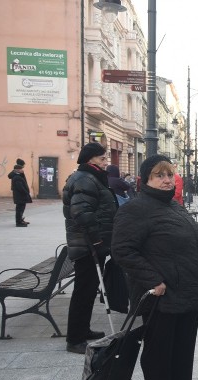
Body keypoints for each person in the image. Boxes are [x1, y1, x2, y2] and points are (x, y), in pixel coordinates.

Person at [112, 155, 198, 380]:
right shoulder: (136, 208)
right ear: (145, 180)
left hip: (186, 289)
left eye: (169, 175)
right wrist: (153, 280)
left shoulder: (173, 206)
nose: (167, 180)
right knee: (160, 349)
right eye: (159, 175)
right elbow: (122, 250)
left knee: (183, 344)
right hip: (161, 293)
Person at [62, 142, 118, 353]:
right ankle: (75, 339)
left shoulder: (90, 177)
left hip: (92, 242)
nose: (106, 162)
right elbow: (82, 213)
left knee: (88, 289)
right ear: (90, 160)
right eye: (102, 158)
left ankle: (82, 330)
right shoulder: (85, 179)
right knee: (83, 291)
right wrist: (95, 240)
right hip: (88, 244)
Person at [8, 162, 31, 227]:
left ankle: (20, 220)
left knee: (21, 208)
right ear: (17, 170)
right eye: (21, 169)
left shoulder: (19, 175)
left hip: (21, 196)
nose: (22, 170)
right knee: (19, 209)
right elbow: (20, 187)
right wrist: (26, 192)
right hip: (20, 196)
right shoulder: (17, 177)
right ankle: (19, 222)